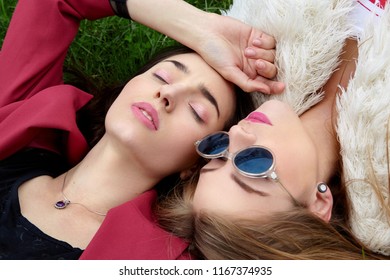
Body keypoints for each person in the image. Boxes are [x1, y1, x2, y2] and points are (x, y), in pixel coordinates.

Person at [0, 0, 281, 259]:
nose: (168, 92)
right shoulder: (19, 121)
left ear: (195, 164)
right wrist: (202, 29)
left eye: (197, 111)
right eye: (162, 75)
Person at [155, 0, 390, 259]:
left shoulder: (260, 41)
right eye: (253, 164)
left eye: (219, 152)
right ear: (318, 205)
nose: (236, 134)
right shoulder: (383, 159)